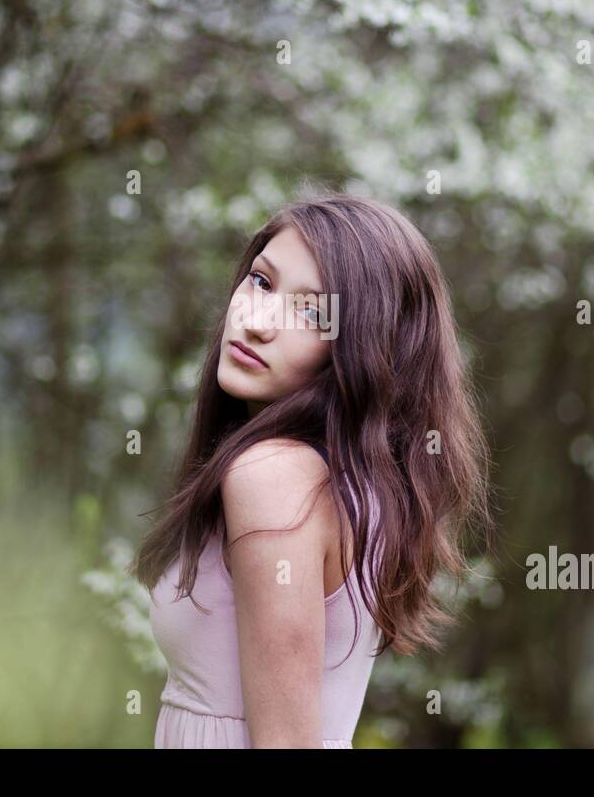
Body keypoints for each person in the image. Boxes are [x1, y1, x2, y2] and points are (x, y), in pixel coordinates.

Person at [133, 182, 491, 748]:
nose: (256, 321)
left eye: (309, 310)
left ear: (362, 347)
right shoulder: (351, 482)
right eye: (261, 281)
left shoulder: (274, 477)